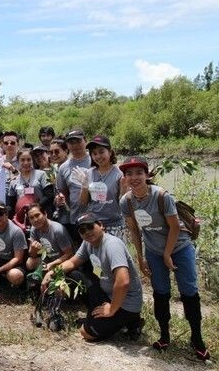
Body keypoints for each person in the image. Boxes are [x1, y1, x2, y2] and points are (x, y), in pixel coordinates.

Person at [120, 156, 210, 361]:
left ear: (147, 175)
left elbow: (176, 227)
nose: (134, 178)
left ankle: (197, 338)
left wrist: (168, 254)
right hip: (153, 250)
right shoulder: (126, 201)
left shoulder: (162, 196)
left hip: (179, 247)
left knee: (189, 292)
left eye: (138, 173)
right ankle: (164, 335)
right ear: (124, 178)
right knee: (161, 292)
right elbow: (134, 231)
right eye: (129, 174)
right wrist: (141, 258)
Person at [42, 213, 143, 342]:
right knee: (73, 275)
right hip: (106, 293)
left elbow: (123, 282)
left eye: (90, 227)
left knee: (86, 333)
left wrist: (112, 309)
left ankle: (130, 321)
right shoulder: (88, 243)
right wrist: (51, 273)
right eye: (82, 230)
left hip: (125, 303)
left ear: (101, 225)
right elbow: (72, 262)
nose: (87, 232)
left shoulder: (112, 245)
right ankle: (118, 320)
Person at [75, 135, 127, 242]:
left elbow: (123, 205)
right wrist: (84, 186)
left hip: (114, 224)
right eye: (94, 153)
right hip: (93, 225)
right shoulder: (89, 174)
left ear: (110, 152)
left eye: (101, 151)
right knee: (96, 258)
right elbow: (83, 202)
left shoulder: (119, 174)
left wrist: (124, 188)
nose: (98, 156)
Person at [55, 129, 91, 244]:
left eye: (78, 141)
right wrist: (60, 199)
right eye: (71, 142)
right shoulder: (63, 168)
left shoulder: (96, 160)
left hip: (97, 217)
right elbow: (63, 191)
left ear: (85, 141)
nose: (75, 145)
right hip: (76, 218)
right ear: (67, 145)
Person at [7, 148, 52, 233]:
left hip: (41, 218)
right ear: (18, 161)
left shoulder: (42, 174)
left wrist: (34, 208)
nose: (26, 163)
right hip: (22, 222)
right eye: (22, 160)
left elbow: (49, 195)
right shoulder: (14, 181)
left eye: (29, 159)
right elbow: (11, 205)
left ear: (32, 160)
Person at [25, 203, 74, 277]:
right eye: (31, 218)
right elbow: (32, 255)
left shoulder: (58, 230)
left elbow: (69, 254)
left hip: (62, 261)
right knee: (30, 263)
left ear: (45, 214)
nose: (35, 220)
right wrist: (33, 249)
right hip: (48, 259)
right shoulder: (34, 229)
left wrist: (52, 264)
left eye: (37, 215)